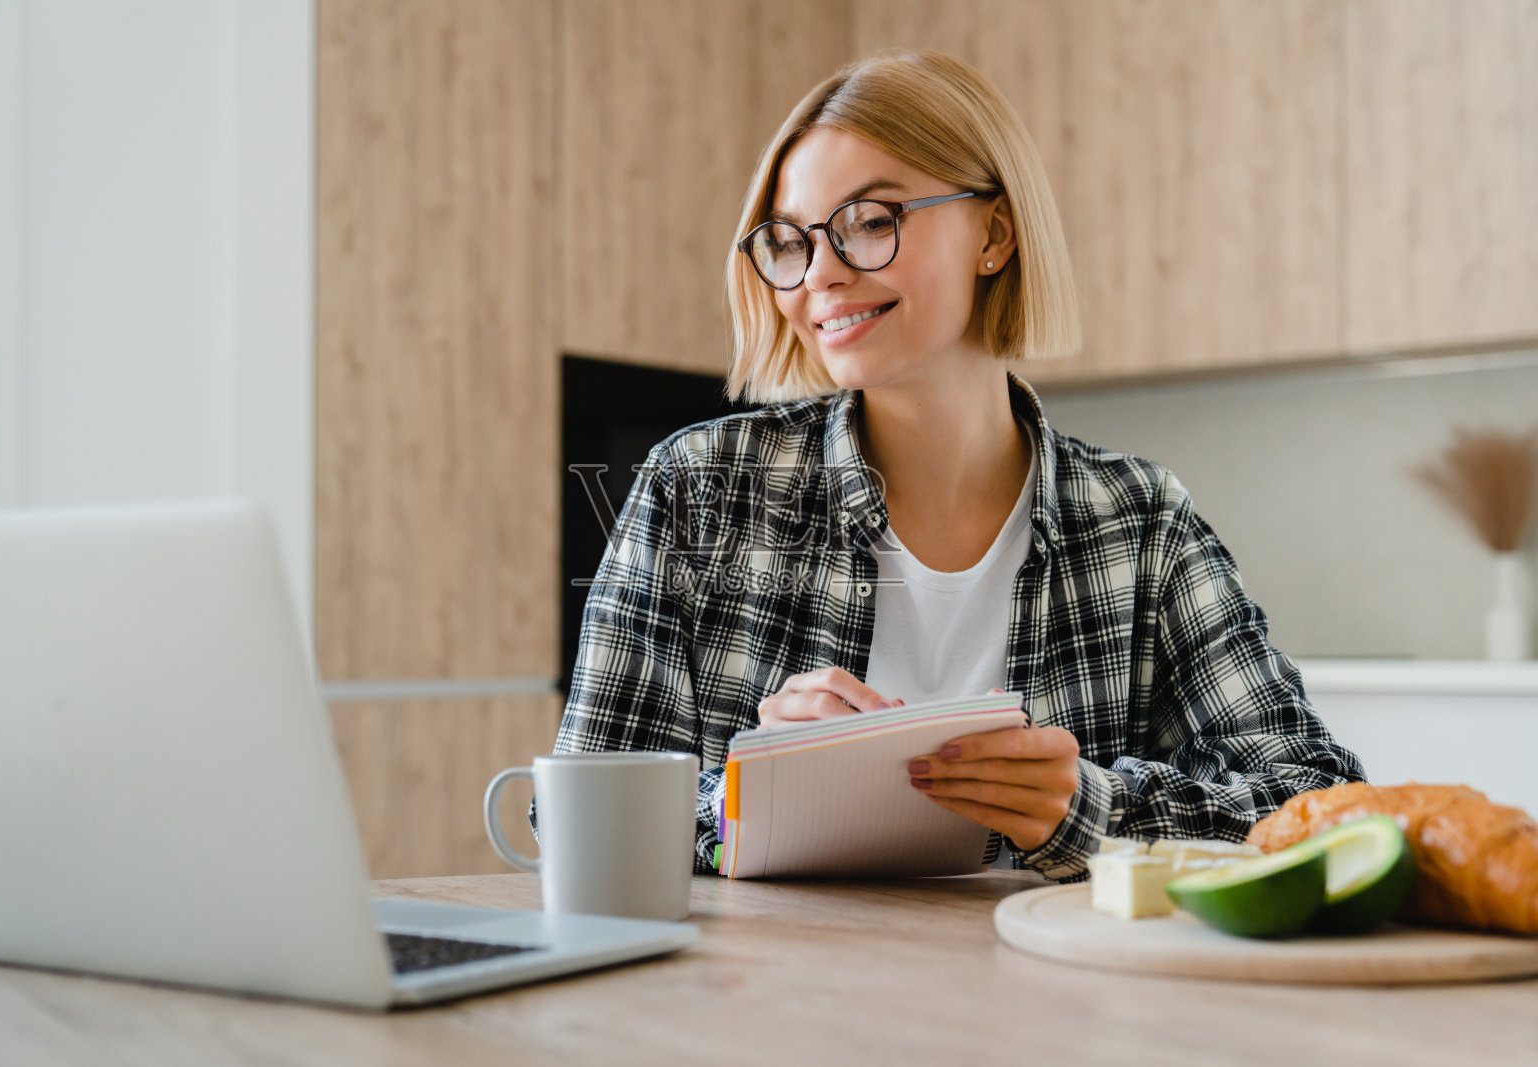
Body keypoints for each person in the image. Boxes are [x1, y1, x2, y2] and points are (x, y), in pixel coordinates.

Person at [540, 49, 1364, 881]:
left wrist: (1086, 807)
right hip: (768, 1004)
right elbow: (574, 810)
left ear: (994, 236)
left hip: (1043, 1005)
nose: (821, 273)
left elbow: (1319, 807)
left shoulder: (1140, 520)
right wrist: (744, 801)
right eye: (792, 240)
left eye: (871, 219)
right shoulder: (699, 486)